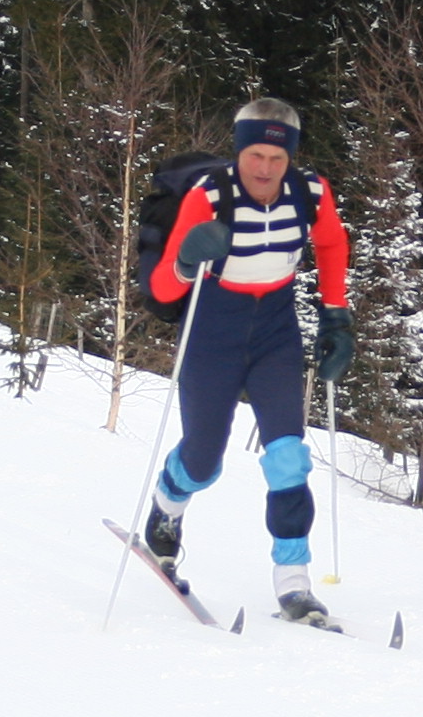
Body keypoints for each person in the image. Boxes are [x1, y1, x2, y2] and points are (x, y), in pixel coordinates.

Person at [144, 96, 357, 625]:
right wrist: (188, 260)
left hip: (274, 332)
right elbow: (162, 287)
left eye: (277, 158)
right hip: (212, 330)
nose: (265, 168)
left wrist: (336, 315)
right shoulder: (209, 196)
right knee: (202, 461)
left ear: (290, 158)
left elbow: (332, 244)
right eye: (255, 156)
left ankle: (294, 583)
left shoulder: (310, 192)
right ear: (239, 151)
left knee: (288, 457)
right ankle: (168, 506)